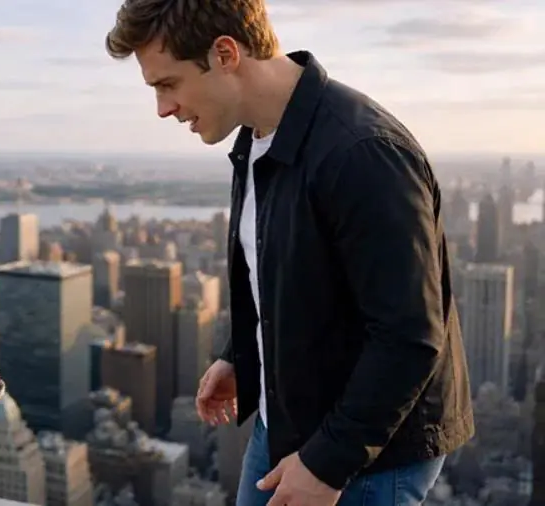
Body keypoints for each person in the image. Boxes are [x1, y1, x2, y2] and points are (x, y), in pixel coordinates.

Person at [104, 1, 474, 505]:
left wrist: (327, 464)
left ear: (225, 53)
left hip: (365, 453)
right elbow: (288, 273)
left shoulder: (362, 152)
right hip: (285, 424)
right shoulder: (257, 141)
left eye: (167, 84)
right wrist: (242, 355)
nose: (163, 108)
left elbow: (409, 337)